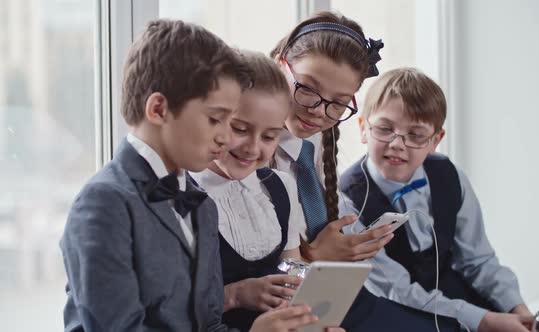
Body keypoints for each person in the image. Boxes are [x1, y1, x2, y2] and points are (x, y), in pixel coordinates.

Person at [60, 19, 318, 332]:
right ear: (158, 109)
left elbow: (208, 324)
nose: (225, 138)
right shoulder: (104, 203)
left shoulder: (200, 204)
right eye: (216, 119)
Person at [269, 11, 460, 331]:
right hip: (289, 301)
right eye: (307, 88)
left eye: (339, 102)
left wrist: (339, 250)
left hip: (332, 292)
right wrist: (317, 256)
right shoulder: (248, 153)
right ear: (279, 64)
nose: (318, 111)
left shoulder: (311, 136)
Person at [339, 67, 534, 332]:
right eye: (385, 129)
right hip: (394, 306)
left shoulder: (448, 175)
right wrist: (483, 321)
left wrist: (517, 308)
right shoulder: (349, 199)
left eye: (416, 135)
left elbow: (477, 259)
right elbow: (395, 289)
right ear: (363, 128)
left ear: (435, 140)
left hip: (449, 290)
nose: (398, 144)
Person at [190, 50, 308, 331]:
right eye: (240, 129)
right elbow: (172, 309)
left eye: (269, 136)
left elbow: (294, 275)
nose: (253, 148)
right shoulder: (185, 194)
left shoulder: (281, 186)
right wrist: (235, 294)